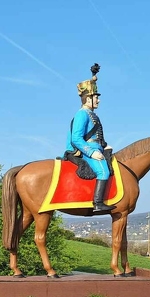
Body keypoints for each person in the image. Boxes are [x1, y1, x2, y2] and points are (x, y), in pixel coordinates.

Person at [65, 64, 116, 214]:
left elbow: (96, 135)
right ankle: (98, 203)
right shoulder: (82, 114)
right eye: (96, 98)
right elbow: (76, 138)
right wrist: (92, 153)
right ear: (88, 99)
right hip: (86, 149)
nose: (98, 101)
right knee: (103, 171)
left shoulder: (93, 115)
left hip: (96, 147)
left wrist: (104, 146)